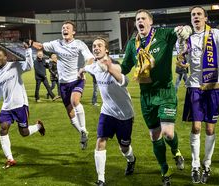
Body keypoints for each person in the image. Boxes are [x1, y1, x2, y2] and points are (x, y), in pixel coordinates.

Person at [121, 9, 185, 186]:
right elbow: (125, 67)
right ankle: (165, 171)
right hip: (146, 96)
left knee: (168, 134)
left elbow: (179, 32)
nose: (139, 21)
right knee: (155, 135)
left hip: (165, 92)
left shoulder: (164, 34)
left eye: (143, 18)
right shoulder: (132, 44)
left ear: (150, 21)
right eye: (137, 19)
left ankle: (176, 151)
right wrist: (107, 66)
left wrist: (182, 30)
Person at [180, 6, 219, 184]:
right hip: (195, 87)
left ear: (205, 18)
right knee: (196, 127)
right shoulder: (186, 38)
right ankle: (195, 165)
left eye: (199, 14)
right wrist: (181, 57)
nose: (196, 17)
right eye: (193, 15)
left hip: (213, 86)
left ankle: (207, 163)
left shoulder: (215, 34)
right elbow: (183, 60)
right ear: (191, 19)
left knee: (210, 128)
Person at [80, 37, 136, 186]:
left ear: (106, 50)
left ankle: (131, 160)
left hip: (125, 114)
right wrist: (82, 70)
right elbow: (88, 67)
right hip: (107, 112)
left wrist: (110, 69)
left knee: (124, 147)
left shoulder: (115, 66)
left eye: (99, 45)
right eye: (94, 45)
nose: (96, 48)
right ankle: (101, 179)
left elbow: (125, 81)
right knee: (100, 140)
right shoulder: (94, 65)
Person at [30, 21, 94, 150]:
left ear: (73, 32)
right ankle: (83, 133)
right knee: (70, 113)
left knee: (75, 101)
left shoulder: (79, 44)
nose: (64, 29)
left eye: (67, 28)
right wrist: (31, 43)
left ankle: (84, 129)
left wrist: (85, 68)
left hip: (77, 79)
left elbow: (90, 58)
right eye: (63, 28)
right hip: (63, 83)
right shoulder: (56, 44)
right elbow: (41, 46)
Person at [0, 45, 46, 169]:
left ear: (5, 57)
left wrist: (28, 51)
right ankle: (10, 158)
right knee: (3, 128)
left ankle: (38, 126)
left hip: (20, 105)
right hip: (7, 107)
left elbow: (29, 66)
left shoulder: (15, 66)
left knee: (24, 133)